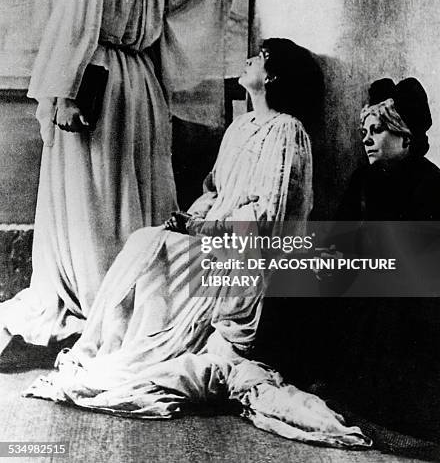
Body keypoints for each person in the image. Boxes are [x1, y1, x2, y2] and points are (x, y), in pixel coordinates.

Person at [23, 39, 370, 449]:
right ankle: (120, 349)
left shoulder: (287, 131)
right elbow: (213, 189)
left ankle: (139, 353)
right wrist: (190, 219)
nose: (248, 60)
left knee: (158, 252)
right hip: (216, 237)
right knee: (146, 242)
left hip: (247, 256)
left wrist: (206, 229)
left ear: (271, 76)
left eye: (257, 58)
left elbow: (268, 215)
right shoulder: (241, 127)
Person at [0, 0, 258, 359]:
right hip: (95, 91)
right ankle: (100, 288)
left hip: (141, 93)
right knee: (98, 189)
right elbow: (74, 33)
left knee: (141, 187)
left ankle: (137, 284)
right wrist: (66, 98)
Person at [316, 77, 440, 441]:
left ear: (406, 135)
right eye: (364, 131)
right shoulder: (364, 178)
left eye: (379, 130)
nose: (367, 139)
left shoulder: (430, 182)